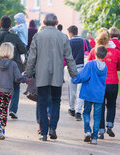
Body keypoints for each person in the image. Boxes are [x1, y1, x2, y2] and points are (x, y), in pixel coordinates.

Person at [25, 13, 78, 141]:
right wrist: (74, 73)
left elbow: (32, 58)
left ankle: (43, 132)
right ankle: (52, 128)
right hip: (57, 75)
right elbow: (69, 58)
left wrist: (27, 74)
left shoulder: (38, 36)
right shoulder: (63, 37)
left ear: (43, 22)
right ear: (56, 22)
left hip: (41, 75)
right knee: (56, 101)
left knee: (42, 102)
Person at [0, 16, 27, 119]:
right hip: (13, 66)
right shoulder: (15, 38)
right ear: (10, 26)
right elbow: (23, 50)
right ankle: (12, 110)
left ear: (0, 24)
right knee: (16, 87)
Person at [87, 28, 120, 139]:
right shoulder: (116, 52)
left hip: (99, 83)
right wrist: (113, 67)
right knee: (112, 104)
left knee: (100, 106)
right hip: (113, 82)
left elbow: (89, 66)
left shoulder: (94, 51)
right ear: (109, 39)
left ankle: (101, 130)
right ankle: (109, 126)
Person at [0, 42, 29, 140]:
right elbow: (18, 78)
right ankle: (2, 130)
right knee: (5, 109)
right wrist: (26, 79)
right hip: (8, 90)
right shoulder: (13, 64)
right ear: (10, 51)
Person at [72, 46, 108, 144]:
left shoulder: (90, 64)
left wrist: (74, 79)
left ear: (95, 54)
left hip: (88, 93)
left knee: (86, 112)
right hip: (99, 95)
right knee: (97, 116)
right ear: (105, 55)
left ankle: (87, 131)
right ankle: (95, 137)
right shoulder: (105, 67)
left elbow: (83, 76)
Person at [67, 25, 91, 121]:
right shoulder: (84, 41)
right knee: (80, 90)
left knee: (72, 90)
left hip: (71, 69)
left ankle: (72, 108)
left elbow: (66, 56)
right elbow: (89, 53)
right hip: (82, 68)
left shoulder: (69, 42)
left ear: (71, 33)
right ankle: (78, 111)